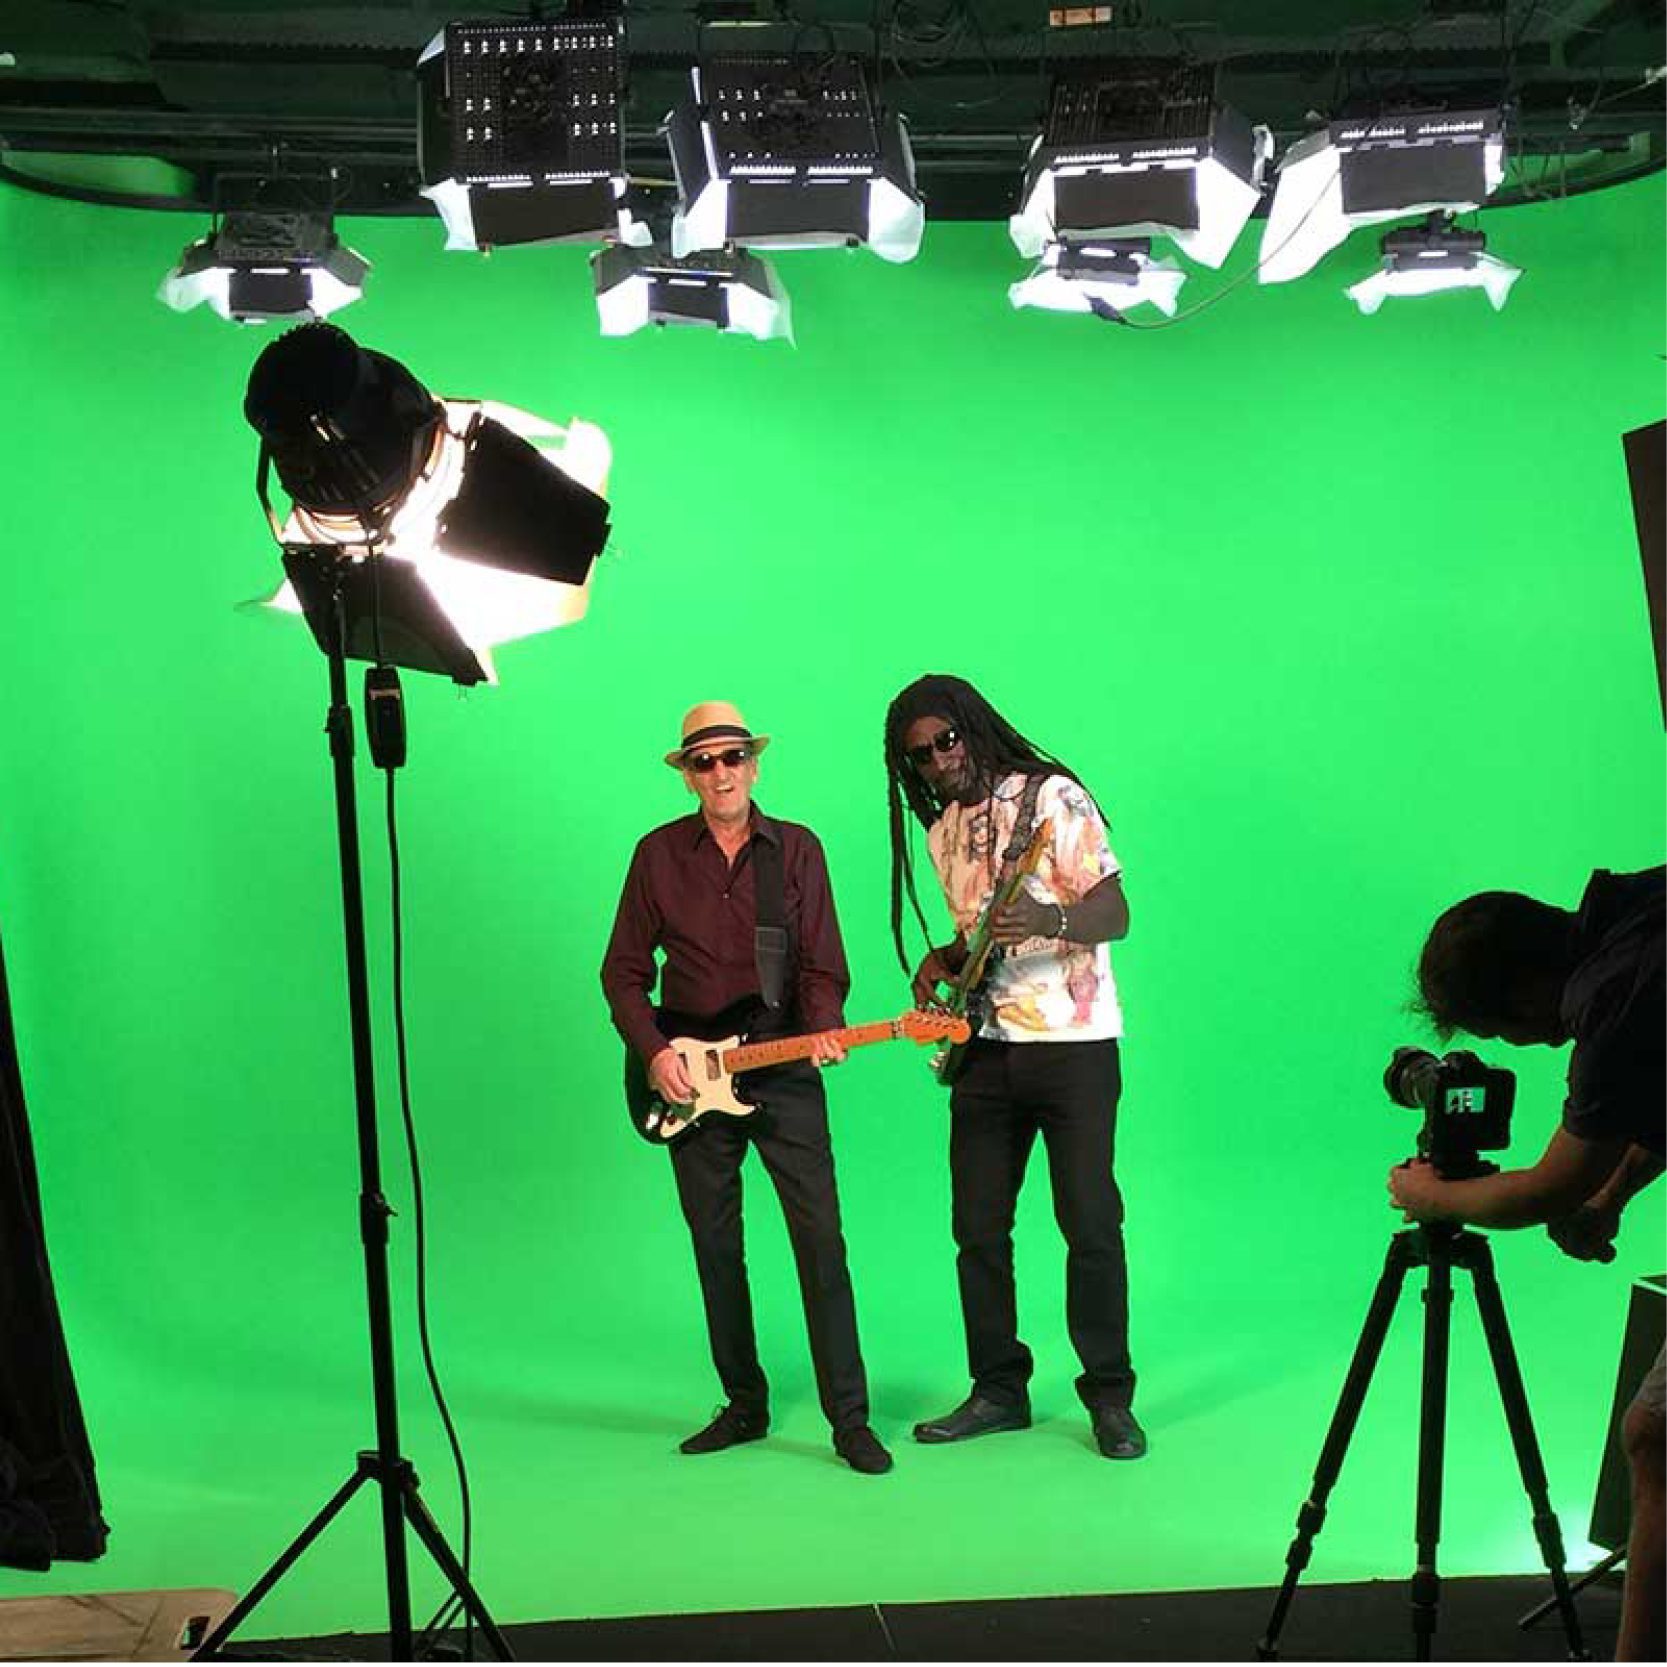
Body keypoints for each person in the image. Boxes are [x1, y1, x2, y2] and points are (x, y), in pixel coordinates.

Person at [601, 700, 891, 1475]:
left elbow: (822, 963)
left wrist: (824, 1024)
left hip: (783, 1064)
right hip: (692, 1079)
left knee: (819, 1241)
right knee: (715, 1245)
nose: (721, 771)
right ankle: (743, 1404)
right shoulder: (657, 855)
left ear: (753, 766)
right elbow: (622, 974)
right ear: (687, 774)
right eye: (705, 761)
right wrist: (657, 1053)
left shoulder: (794, 850)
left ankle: (850, 1419)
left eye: (733, 757)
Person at [1388, 865, 1664, 1662]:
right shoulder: (1643, 915)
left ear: (1519, 987)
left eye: (1500, 1028)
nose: (1516, 1045)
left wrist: (1429, 1195)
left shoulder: (1611, 997)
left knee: (1656, 1435)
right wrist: (1610, 1195)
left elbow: (1543, 1188)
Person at [883, 674, 1144, 1460]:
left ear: (971, 727)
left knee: (1090, 1223)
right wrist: (942, 958)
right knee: (977, 1228)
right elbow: (980, 940)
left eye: (945, 740)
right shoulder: (940, 834)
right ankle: (998, 1388)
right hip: (985, 1051)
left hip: (1073, 1048)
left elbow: (1116, 912)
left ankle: (1109, 1397)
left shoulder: (1052, 799)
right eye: (918, 755)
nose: (936, 761)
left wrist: (1053, 917)